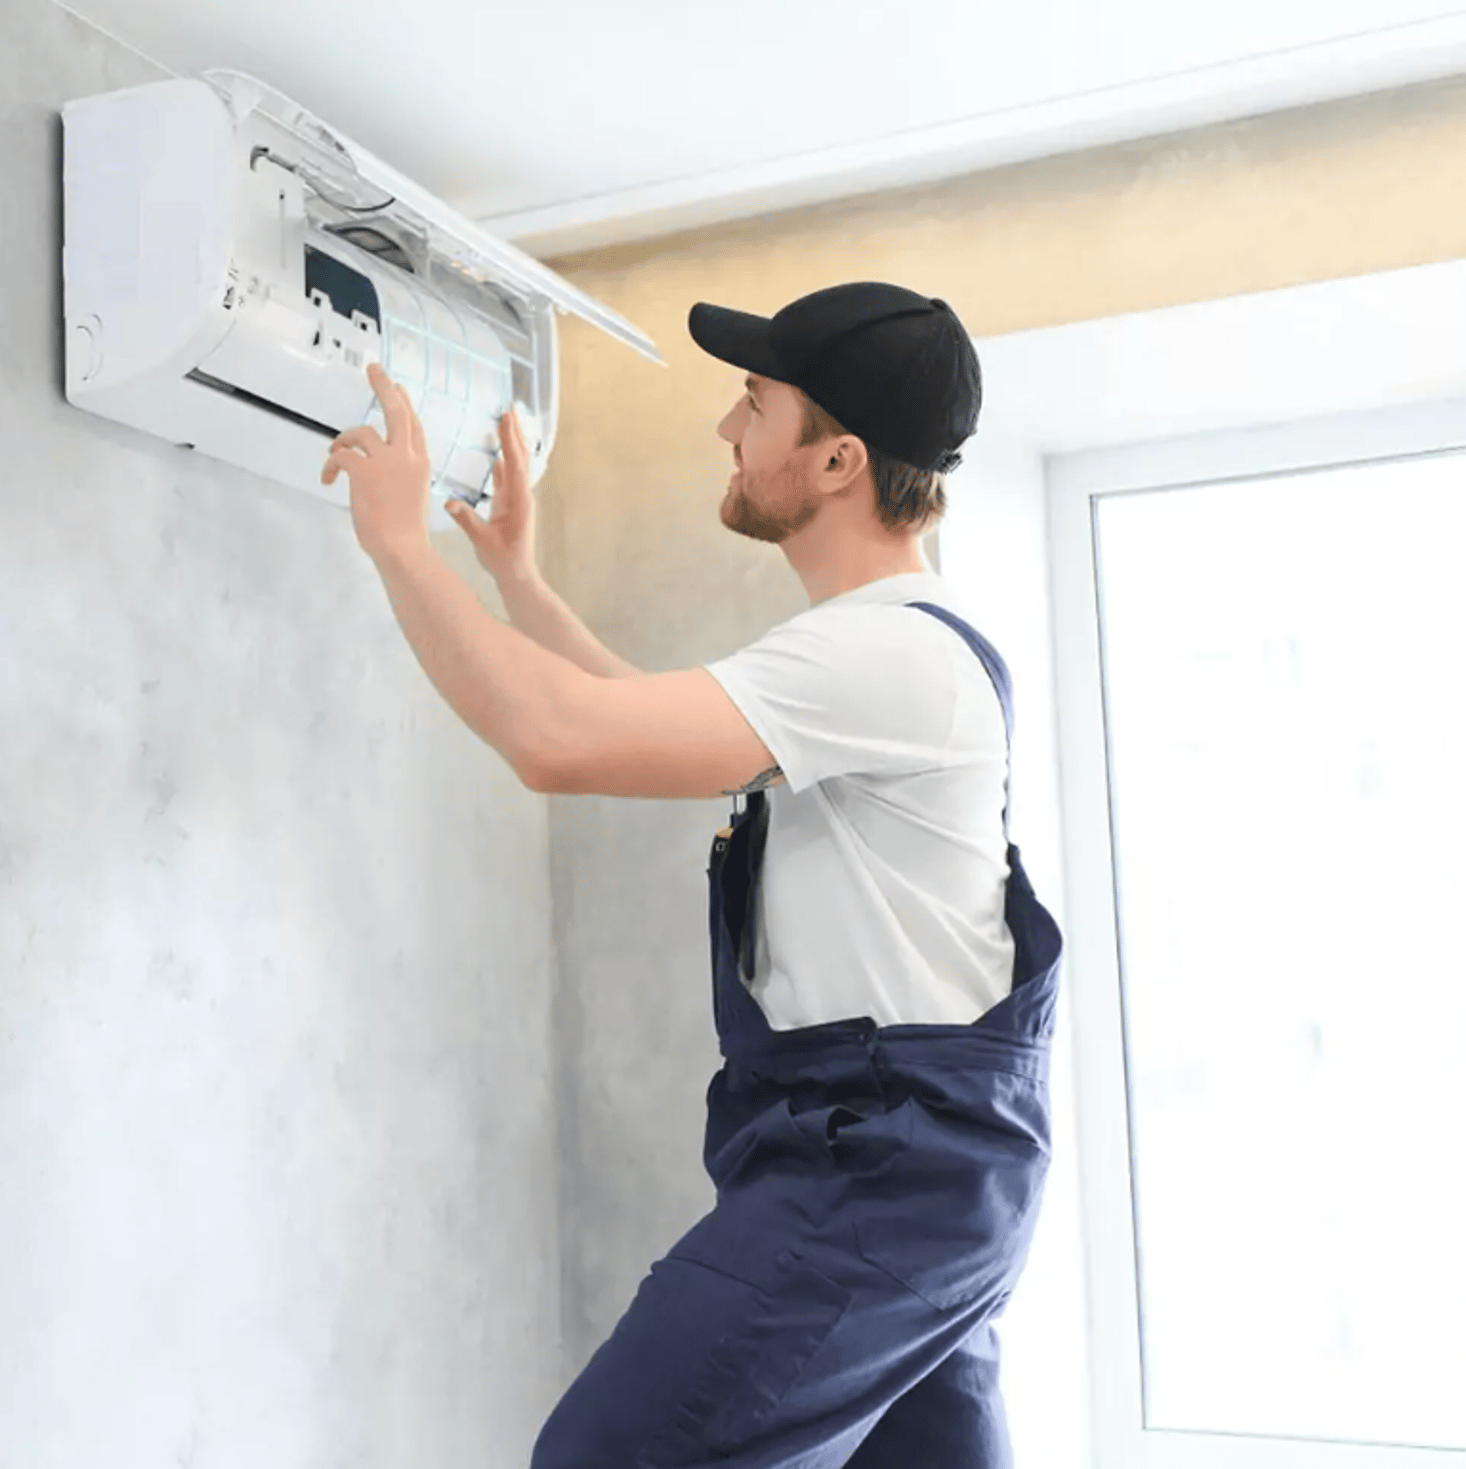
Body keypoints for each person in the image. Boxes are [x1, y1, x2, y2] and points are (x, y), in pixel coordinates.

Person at [321, 281, 1063, 1469]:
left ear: (837, 461)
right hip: (928, 1193)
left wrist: (399, 545)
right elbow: (638, 709)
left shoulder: (882, 652)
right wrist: (516, 575)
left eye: (756, 403)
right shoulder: (883, 646)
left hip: (876, 1181)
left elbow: (558, 740)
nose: (728, 426)